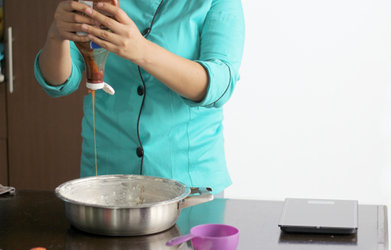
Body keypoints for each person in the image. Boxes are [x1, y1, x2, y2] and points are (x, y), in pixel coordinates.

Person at [34, 0, 245, 195]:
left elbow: (220, 85)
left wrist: (141, 50)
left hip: (190, 184)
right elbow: (60, 83)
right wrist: (56, 35)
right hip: (106, 179)